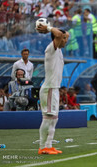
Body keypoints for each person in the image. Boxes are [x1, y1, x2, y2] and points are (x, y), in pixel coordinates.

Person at [36, 24, 69, 154]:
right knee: (48, 119)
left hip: (53, 88)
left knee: (53, 119)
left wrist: (59, 31)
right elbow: (59, 35)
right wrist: (49, 28)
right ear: (56, 38)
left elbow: (64, 33)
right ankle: (42, 146)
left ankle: (48, 145)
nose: (66, 40)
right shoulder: (51, 48)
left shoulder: (59, 50)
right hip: (49, 88)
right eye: (64, 38)